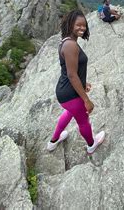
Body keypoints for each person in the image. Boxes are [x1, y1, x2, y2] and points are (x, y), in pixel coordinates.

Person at [47, 10, 105, 154]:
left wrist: (83, 84)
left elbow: (72, 72)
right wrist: (86, 100)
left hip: (64, 92)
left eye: (84, 25)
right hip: (71, 94)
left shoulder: (66, 42)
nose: (82, 28)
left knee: (69, 113)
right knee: (83, 121)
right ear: (70, 24)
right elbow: (72, 75)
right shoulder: (71, 45)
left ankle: (53, 142)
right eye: (78, 25)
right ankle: (92, 144)